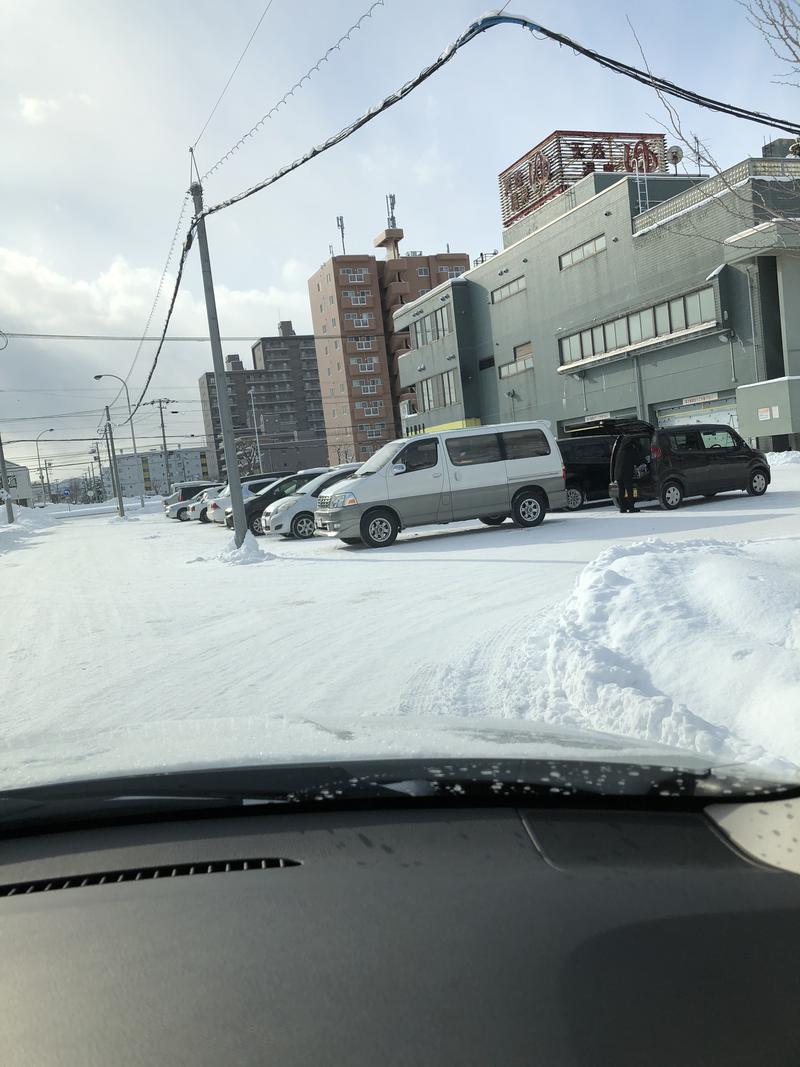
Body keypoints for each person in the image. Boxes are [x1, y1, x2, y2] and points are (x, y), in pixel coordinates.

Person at [614, 436, 639, 513]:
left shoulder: (620, 449)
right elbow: (636, 460)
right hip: (626, 474)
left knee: (621, 491)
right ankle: (631, 508)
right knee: (629, 490)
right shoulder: (630, 450)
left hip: (618, 473)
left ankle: (622, 508)